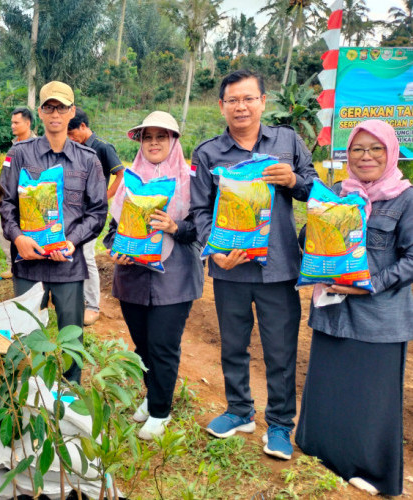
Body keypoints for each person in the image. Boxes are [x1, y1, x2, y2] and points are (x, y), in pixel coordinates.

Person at [190, 69, 318, 460]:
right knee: (233, 344)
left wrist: (294, 179)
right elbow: (199, 212)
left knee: (280, 351)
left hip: (278, 268)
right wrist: (215, 249)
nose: (241, 106)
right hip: (230, 269)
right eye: (233, 100)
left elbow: (315, 190)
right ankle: (239, 410)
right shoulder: (208, 152)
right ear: (222, 106)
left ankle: (280, 425)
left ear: (263, 101)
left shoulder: (287, 141)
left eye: (248, 98)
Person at [295, 120, 413, 496]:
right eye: (358, 149)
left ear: (391, 152)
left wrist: (371, 285)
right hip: (333, 311)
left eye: (375, 148)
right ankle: (324, 453)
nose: (365, 157)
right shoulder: (337, 191)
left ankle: (371, 470)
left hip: (379, 317)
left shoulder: (405, 199)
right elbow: (308, 238)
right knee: (331, 387)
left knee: (370, 397)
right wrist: (317, 221)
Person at [103, 111, 203, 440]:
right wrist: (114, 249)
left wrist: (175, 226)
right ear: (140, 143)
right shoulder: (130, 180)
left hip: (173, 277)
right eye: (148, 137)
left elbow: (202, 229)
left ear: (174, 141)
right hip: (131, 278)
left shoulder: (190, 180)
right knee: (143, 344)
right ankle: (152, 395)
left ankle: (161, 411)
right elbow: (114, 230)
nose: (154, 142)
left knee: (163, 345)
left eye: (162, 136)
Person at [0, 81, 107, 384]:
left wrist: (73, 242)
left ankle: (69, 390)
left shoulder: (88, 160)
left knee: (71, 335)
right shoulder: (20, 154)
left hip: (68, 266)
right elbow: (7, 204)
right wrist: (18, 237)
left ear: (72, 111)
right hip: (28, 263)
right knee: (24, 331)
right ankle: (26, 389)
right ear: (41, 112)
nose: (55, 113)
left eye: (62, 107)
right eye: (49, 107)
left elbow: (97, 212)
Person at [68, 107, 125, 326]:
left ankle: (93, 306)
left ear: (83, 126)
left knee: (87, 255)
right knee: (73, 251)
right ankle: (77, 297)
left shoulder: (102, 147)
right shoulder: (75, 148)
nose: (71, 138)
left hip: (93, 213)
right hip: (75, 212)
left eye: (72, 133)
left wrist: (105, 197)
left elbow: (121, 174)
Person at [0, 107, 39, 280]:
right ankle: (12, 267)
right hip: (10, 199)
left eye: (16, 122)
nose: (13, 126)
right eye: (12, 123)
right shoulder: (14, 145)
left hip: (30, 199)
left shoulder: (38, 145)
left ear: (28, 123)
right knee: (6, 233)